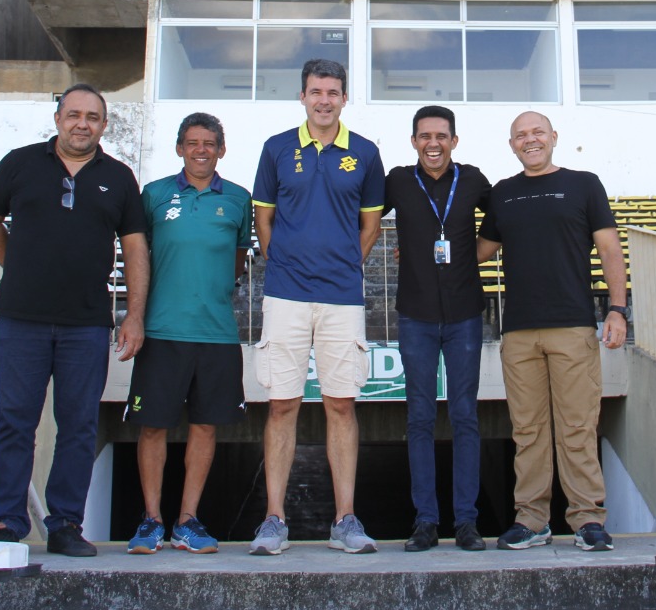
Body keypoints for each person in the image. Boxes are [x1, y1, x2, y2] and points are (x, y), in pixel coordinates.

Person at [0, 84, 149, 557]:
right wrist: (18, 266)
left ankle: (66, 524)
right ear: (58, 119)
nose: (82, 124)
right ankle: (6, 523)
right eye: (74, 115)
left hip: (86, 323)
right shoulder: (20, 163)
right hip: (21, 319)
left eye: (92, 117)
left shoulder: (119, 177)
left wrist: (134, 315)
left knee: (78, 426)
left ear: (104, 125)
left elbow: (135, 248)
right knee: (15, 422)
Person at [248, 58, 386, 555]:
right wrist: (285, 264)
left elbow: (370, 226)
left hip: (341, 296)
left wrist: (343, 265)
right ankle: (274, 520)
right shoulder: (277, 148)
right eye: (315, 91)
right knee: (282, 404)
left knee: (341, 404)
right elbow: (264, 219)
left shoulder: (366, 152)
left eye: (332, 92)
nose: (323, 100)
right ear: (302, 96)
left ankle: (345, 519)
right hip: (285, 293)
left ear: (344, 98)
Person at [476, 111, 628, 553]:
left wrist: (618, 310)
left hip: (572, 325)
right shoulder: (503, 193)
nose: (530, 140)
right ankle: (531, 520)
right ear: (512, 145)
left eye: (537, 132)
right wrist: (429, 250)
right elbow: (480, 251)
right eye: (521, 135)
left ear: (554, 137)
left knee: (577, 427)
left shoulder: (584, 184)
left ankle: (587, 519)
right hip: (519, 331)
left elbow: (609, 249)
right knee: (528, 431)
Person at [124, 113, 252, 555]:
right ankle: (151, 520)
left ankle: (187, 521)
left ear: (222, 149)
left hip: (217, 334)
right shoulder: (155, 194)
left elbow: (238, 259)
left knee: (205, 426)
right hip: (162, 330)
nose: (201, 150)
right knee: (152, 427)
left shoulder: (239, 199)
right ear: (179, 148)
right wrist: (136, 316)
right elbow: (138, 255)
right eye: (193, 143)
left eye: (209, 143)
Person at [382, 105, 492, 552]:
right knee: (420, 418)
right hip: (416, 314)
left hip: (465, 314)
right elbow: (362, 215)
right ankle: (425, 521)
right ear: (413, 141)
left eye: (441, 136)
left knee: (465, 416)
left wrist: (468, 257)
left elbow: (502, 223)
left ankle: (466, 522)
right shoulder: (397, 181)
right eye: (425, 136)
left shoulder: (474, 180)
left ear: (454, 141)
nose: (433, 143)